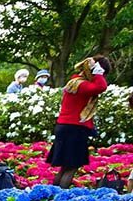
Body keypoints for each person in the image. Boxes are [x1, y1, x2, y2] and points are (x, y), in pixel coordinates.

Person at [47, 55, 112, 189]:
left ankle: (51, 197)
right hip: (75, 128)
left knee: (64, 167)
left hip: (64, 126)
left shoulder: (74, 81)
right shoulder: (82, 85)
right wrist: (97, 73)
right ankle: (59, 198)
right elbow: (100, 87)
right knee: (72, 167)